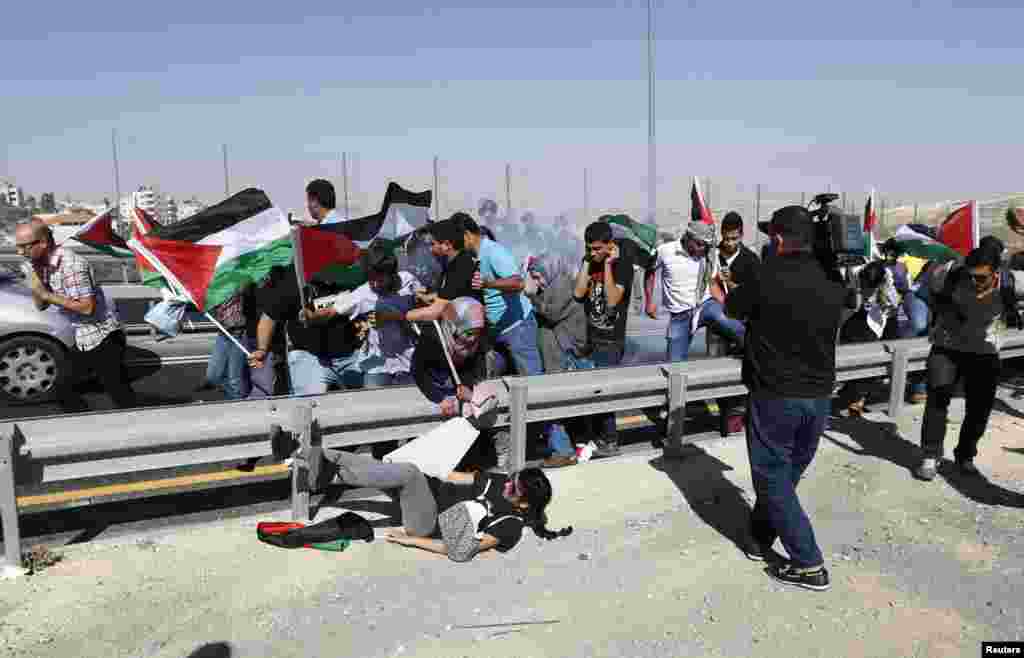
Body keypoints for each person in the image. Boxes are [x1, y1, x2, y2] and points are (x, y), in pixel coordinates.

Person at [724, 205, 857, 592]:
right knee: (785, 475)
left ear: (779, 239)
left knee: (772, 478)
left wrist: (735, 286)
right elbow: (847, 303)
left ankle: (808, 562)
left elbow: (733, 308)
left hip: (775, 396)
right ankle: (761, 534)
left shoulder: (765, 276)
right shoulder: (831, 280)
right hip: (818, 399)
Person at [285, 435, 571, 560]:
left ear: (524, 502)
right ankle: (299, 452)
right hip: (423, 495)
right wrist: (423, 461)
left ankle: (324, 474)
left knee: (407, 474)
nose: (507, 485)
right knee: (389, 469)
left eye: (513, 488)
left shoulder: (510, 523)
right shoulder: (499, 482)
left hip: (429, 522)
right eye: (511, 479)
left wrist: (413, 540)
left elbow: (464, 548)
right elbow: (452, 476)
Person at [914, 242, 1024, 481]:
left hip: (984, 353)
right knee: (936, 401)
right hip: (946, 348)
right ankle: (930, 456)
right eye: (970, 276)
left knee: (979, 409)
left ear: (996, 272)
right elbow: (924, 291)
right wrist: (945, 312)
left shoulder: (1012, 283)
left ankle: (965, 455)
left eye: (982, 278)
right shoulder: (950, 274)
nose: (975, 282)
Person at [15, 218, 136, 410]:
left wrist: (47, 294)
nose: (19, 252)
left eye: (24, 247)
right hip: (82, 336)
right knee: (63, 389)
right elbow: (41, 306)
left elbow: (86, 307)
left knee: (120, 394)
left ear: (44, 242)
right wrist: (36, 281)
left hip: (103, 337)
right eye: (17, 247)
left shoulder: (71, 265)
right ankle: (85, 425)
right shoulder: (43, 265)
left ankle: (144, 424)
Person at [247, 263, 363, 396]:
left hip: (351, 354)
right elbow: (269, 317)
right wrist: (262, 349)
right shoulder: (293, 277)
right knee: (308, 408)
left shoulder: (351, 270)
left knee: (366, 406)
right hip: (308, 356)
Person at [573, 221, 636, 458]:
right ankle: (595, 437)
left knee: (605, 393)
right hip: (592, 337)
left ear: (610, 245)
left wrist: (608, 265)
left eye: (598, 248)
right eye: (589, 248)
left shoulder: (622, 265)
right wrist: (588, 261)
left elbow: (612, 300)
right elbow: (578, 293)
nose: (593, 252)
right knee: (592, 391)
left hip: (611, 340)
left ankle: (610, 440)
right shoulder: (590, 261)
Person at [644, 220, 743, 362]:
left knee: (733, 324)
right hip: (680, 314)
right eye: (699, 244)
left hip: (706, 305)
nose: (703, 248)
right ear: (688, 237)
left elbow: (712, 282)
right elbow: (650, 271)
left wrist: (728, 305)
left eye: (706, 245)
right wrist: (649, 302)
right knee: (674, 363)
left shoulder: (708, 254)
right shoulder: (666, 251)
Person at [459, 214, 543, 378]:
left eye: (457, 239)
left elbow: (518, 283)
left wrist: (488, 284)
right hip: (494, 332)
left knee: (532, 382)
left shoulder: (493, 251)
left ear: (467, 235)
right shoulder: (472, 256)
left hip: (518, 328)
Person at [524, 256, 587, 468]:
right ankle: (565, 446)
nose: (537, 282)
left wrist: (532, 296)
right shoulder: (556, 283)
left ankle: (563, 451)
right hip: (556, 352)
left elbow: (551, 313)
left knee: (552, 402)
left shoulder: (560, 285)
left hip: (561, 352)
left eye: (538, 277)